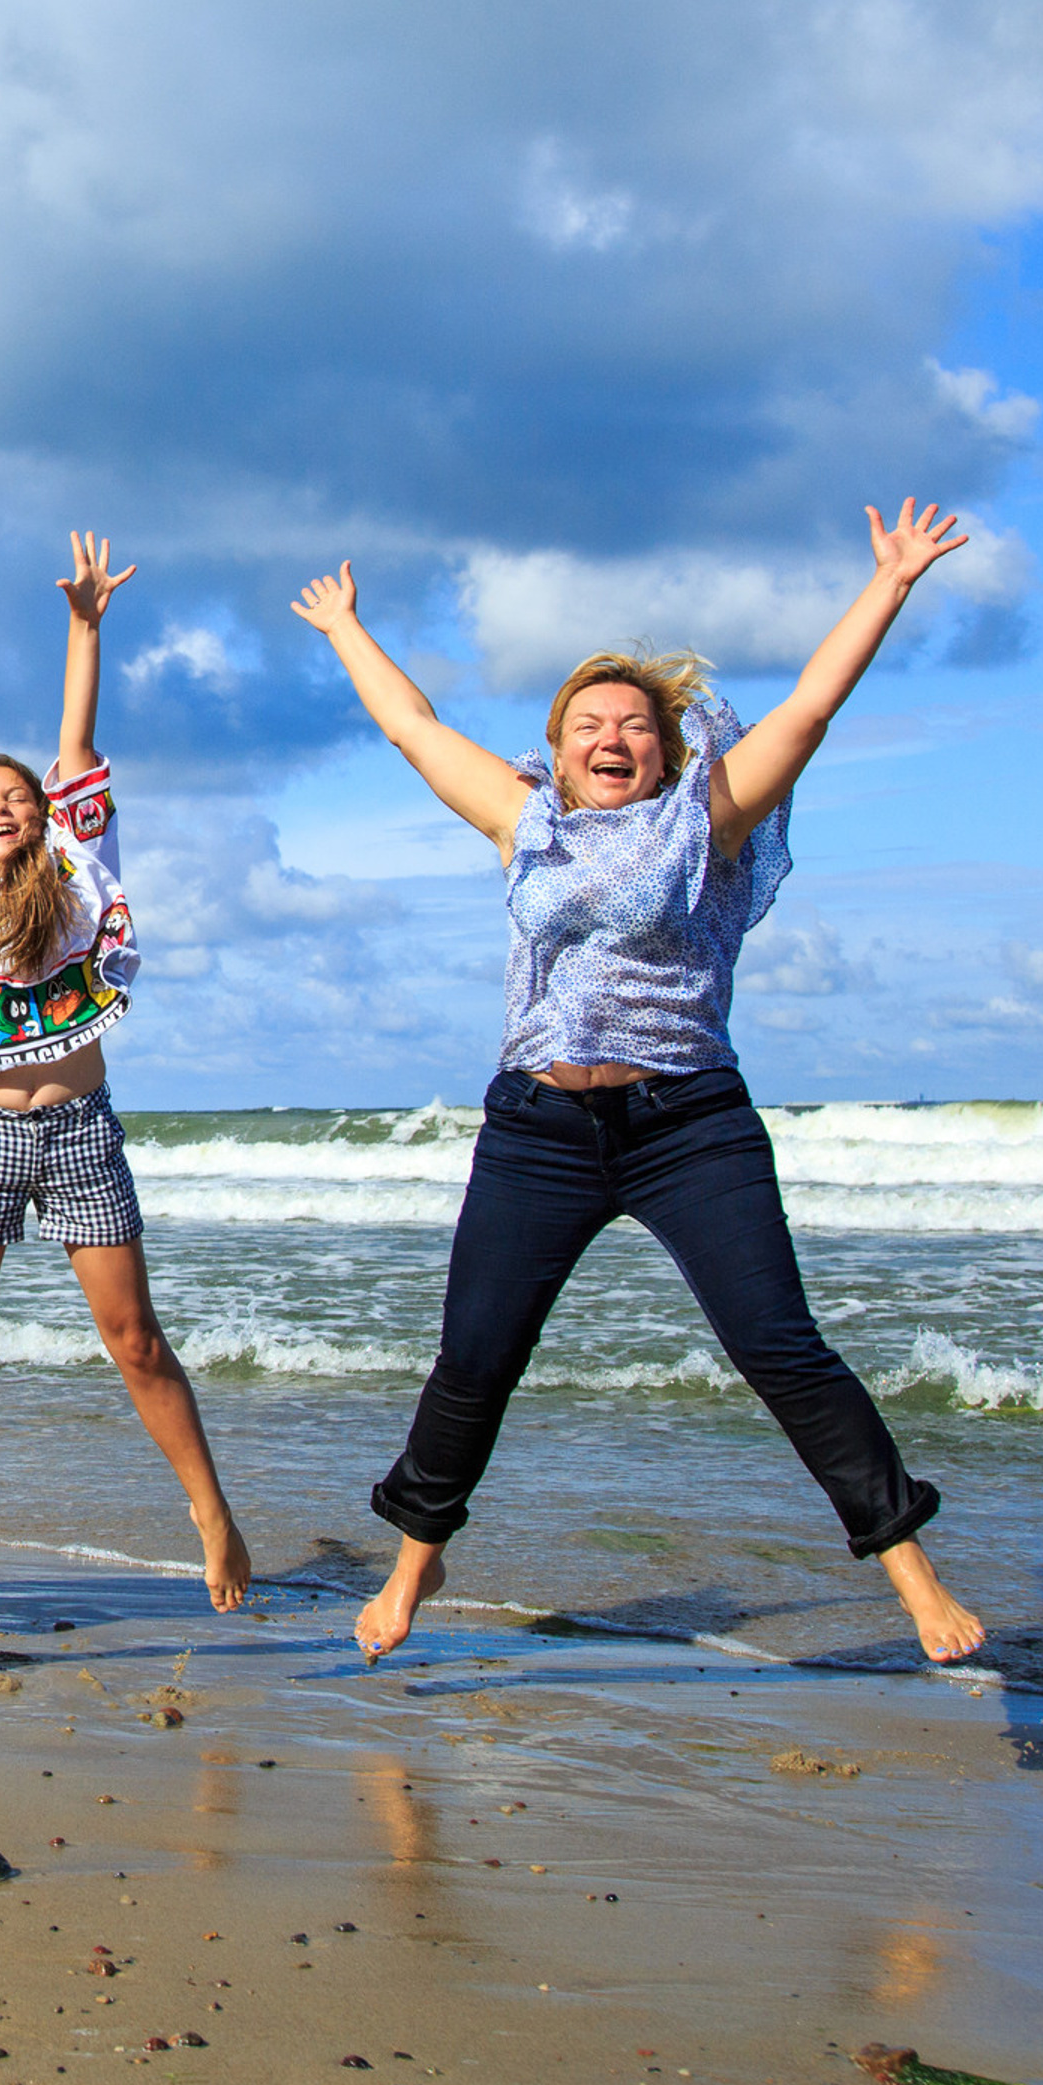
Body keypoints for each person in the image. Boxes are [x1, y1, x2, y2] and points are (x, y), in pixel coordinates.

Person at [293, 500, 985, 1665]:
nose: (609, 737)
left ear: (666, 745)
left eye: (631, 724)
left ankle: (909, 1569)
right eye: (585, 724)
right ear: (556, 749)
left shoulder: (702, 822)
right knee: (475, 1353)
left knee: (777, 1343)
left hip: (688, 1124)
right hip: (539, 1127)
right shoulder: (524, 825)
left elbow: (809, 709)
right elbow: (414, 729)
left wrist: (893, 583)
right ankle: (418, 1558)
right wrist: (345, 628)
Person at [0, 534, 253, 1635]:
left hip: (81, 1130)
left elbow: (75, 737)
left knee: (136, 1339)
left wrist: (86, 624)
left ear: (44, 813)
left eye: (16, 796)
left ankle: (212, 1513)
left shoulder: (86, 863)